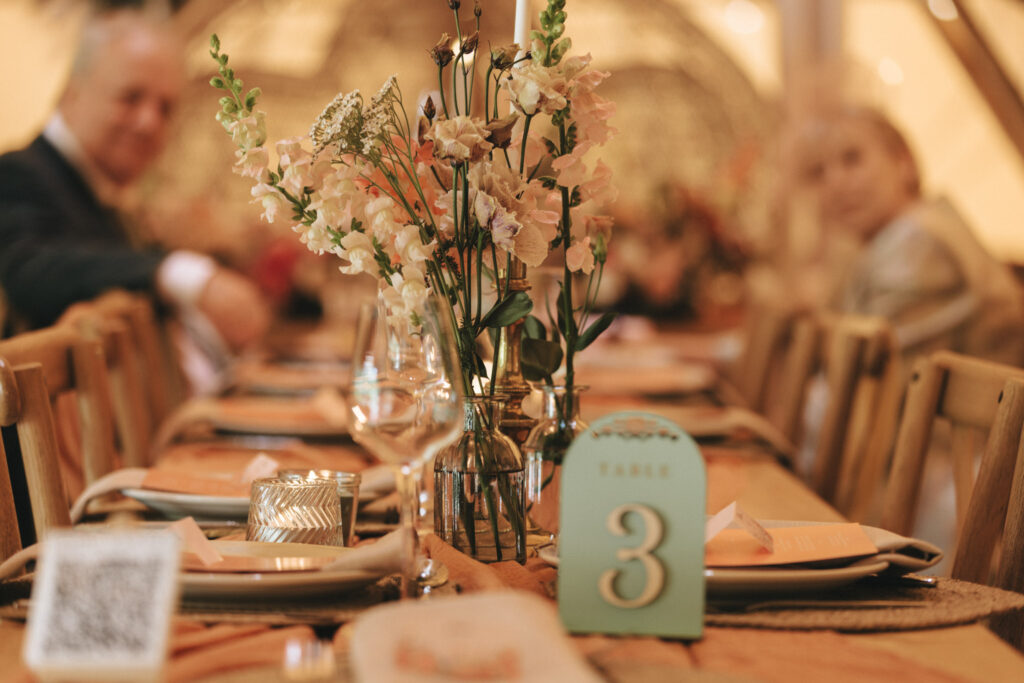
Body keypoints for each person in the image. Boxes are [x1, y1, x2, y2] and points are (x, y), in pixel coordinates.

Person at [0, 8, 270, 357]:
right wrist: (184, 274)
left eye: (166, 109)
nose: (149, 123)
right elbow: (32, 271)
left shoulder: (102, 191)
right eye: (131, 98)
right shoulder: (16, 174)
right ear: (72, 92)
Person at [796, 106, 1024, 367]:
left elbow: (864, 378)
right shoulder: (910, 235)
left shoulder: (916, 246)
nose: (834, 183)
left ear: (904, 163)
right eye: (819, 172)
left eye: (852, 159)